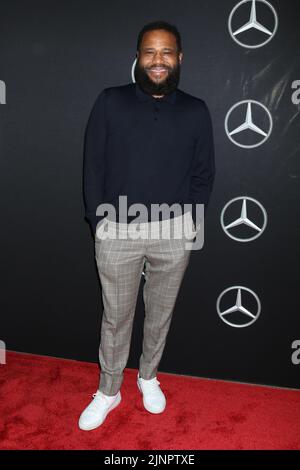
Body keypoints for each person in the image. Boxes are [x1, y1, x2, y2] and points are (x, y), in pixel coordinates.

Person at [79, 20, 215, 431]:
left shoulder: (195, 110)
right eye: (150, 52)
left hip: (174, 231)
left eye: (166, 52)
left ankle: (149, 377)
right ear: (137, 57)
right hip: (117, 227)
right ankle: (109, 390)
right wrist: (99, 220)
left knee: (159, 314)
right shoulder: (110, 101)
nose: (158, 60)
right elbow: (93, 166)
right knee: (116, 317)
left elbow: (203, 174)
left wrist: (190, 222)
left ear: (179, 58)